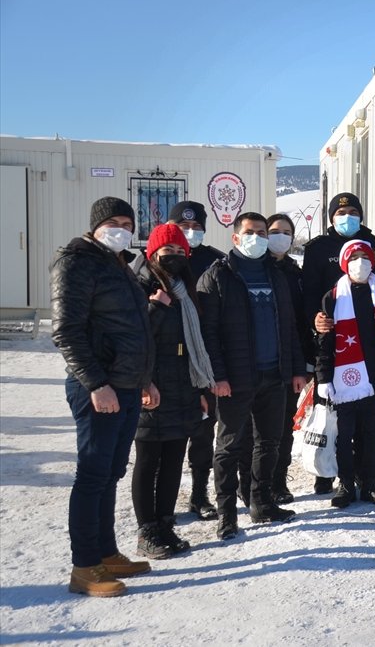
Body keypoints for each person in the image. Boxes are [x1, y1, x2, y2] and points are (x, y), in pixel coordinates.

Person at [51, 196, 157, 597]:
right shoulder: (77, 261)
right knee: (93, 475)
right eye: (113, 221)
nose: (122, 229)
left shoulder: (118, 263)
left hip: (128, 385)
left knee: (111, 473)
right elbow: (67, 331)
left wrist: (145, 379)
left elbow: (134, 330)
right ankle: (84, 566)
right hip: (98, 388)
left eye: (128, 223)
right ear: (95, 225)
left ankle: (107, 552)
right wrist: (97, 384)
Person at [198, 212, 308, 539]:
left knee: (270, 442)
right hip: (235, 378)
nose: (258, 238)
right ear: (235, 238)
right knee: (230, 446)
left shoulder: (276, 275)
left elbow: (289, 326)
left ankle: (261, 503)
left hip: (274, 375)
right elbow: (209, 334)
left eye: (262, 232)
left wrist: (297, 369)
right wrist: (217, 376)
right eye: (250, 232)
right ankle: (227, 513)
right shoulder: (218, 276)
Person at [131, 223, 216, 559]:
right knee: (148, 460)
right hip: (152, 387)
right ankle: (146, 531)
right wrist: (157, 307)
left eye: (181, 252)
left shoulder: (184, 289)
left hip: (182, 385)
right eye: (168, 251)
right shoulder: (141, 285)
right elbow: (134, 338)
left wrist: (198, 387)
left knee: (173, 460)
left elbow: (190, 343)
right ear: (153, 253)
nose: (175, 257)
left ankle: (165, 524)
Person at [302, 192, 375, 495]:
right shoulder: (317, 249)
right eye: (341, 213)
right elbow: (309, 293)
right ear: (330, 217)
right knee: (333, 419)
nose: (347, 216)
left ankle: (368, 478)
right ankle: (330, 473)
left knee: (368, 424)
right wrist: (315, 322)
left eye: (353, 211)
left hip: (371, 349)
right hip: (333, 344)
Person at [315, 240, 375, 507]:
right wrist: (323, 377)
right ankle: (346, 484)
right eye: (354, 257)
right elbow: (324, 342)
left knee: (372, 433)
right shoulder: (333, 297)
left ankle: (370, 482)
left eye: (365, 257)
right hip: (344, 378)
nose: (360, 262)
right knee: (344, 434)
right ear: (344, 262)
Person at [167, 201, 225, 520]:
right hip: (170, 359)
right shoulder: (159, 261)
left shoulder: (216, 261)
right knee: (170, 434)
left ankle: (200, 493)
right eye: (184, 227)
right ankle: (164, 499)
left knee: (204, 431)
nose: (190, 233)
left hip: (206, 358)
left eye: (196, 228)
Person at [264, 214, 314, 504]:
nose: (280, 237)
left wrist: (305, 362)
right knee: (259, 431)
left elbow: (302, 319)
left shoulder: (296, 273)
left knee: (284, 427)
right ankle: (257, 484)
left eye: (286, 232)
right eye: (274, 231)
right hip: (261, 361)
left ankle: (279, 481)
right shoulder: (256, 269)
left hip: (291, 359)